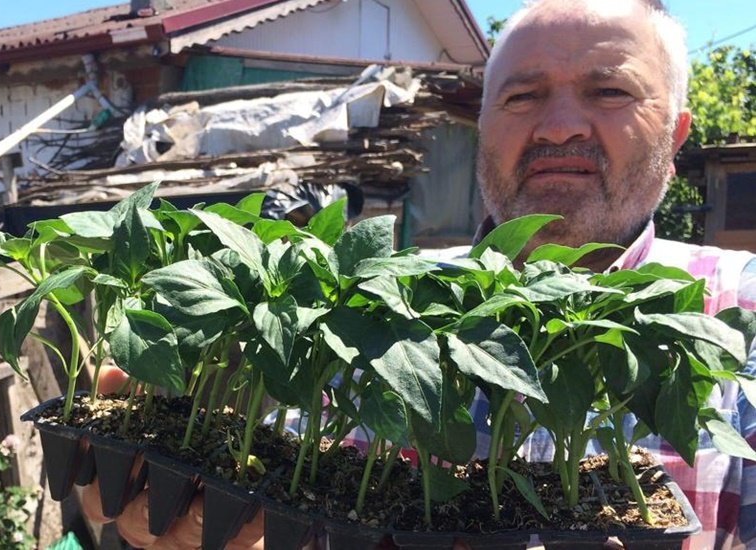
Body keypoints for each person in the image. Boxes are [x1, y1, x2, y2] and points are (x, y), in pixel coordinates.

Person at [80, 0, 756, 547]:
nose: (556, 127)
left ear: (674, 137)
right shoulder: (380, 298)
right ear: (481, 127)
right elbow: (278, 488)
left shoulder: (738, 314)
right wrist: (169, 506)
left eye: (608, 90)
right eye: (521, 97)